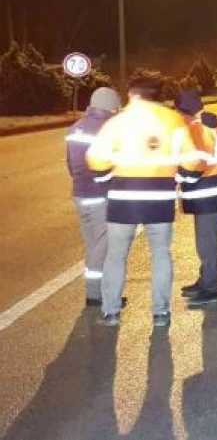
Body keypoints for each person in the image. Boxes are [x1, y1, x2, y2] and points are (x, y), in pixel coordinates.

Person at [86, 78, 203, 327]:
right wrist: (178, 179)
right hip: (159, 198)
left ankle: (111, 311)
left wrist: (106, 177)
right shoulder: (173, 120)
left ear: (133, 95)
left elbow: (95, 159)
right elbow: (193, 160)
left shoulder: (117, 121)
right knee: (161, 254)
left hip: (123, 198)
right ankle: (161, 313)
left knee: (116, 256)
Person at [64, 87, 121, 308]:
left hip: (80, 194)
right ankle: (96, 294)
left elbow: (71, 163)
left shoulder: (75, 128)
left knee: (91, 244)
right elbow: (111, 164)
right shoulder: (107, 129)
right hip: (100, 194)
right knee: (102, 246)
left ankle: (99, 291)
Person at [174, 91, 217, 308]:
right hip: (208, 194)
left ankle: (211, 288)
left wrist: (179, 177)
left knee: (207, 245)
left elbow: (199, 161)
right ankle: (205, 280)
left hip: (207, 194)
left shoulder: (197, 127)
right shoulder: (203, 124)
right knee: (205, 243)